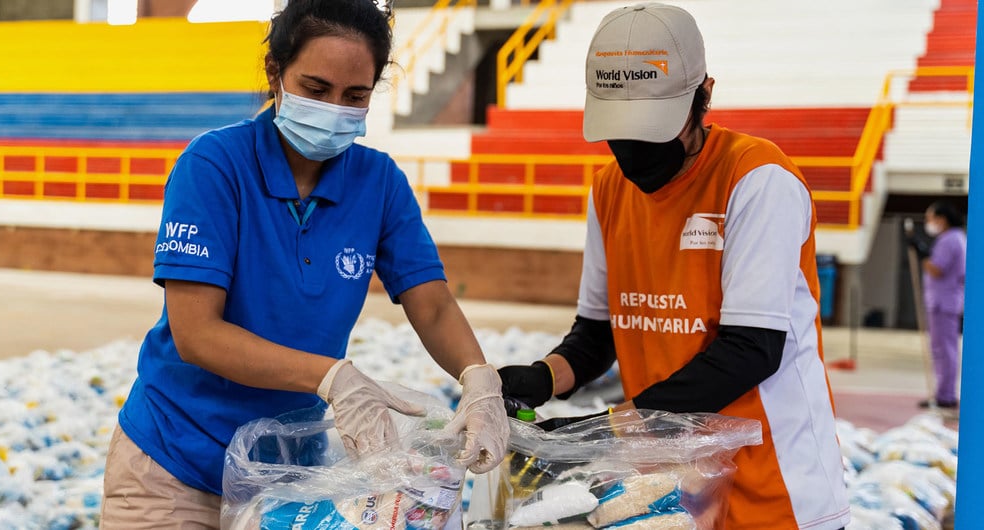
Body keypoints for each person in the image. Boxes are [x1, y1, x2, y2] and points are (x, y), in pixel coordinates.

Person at [100, 1, 508, 526]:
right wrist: (333, 378)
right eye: (316, 90)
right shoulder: (214, 167)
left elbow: (430, 304)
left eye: (354, 96)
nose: (335, 108)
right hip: (176, 462)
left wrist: (478, 380)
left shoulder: (379, 183)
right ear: (275, 72)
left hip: (286, 475)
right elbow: (196, 333)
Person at [498, 4, 849, 529]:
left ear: (703, 97)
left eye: (651, 132)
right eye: (621, 135)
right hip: (672, 496)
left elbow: (749, 351)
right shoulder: (609, 190)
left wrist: (601, 432)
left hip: (775, 496)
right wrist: (542, 378)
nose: (634, 154)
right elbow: (598, 335)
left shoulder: (757, 180)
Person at [912, 200, 967, 410]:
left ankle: (945, 395)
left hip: (943, 302)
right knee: (944, 348)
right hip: (946, 300)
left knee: (944, 350)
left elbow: (937, 269)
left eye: (930, 218)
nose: (928, 223)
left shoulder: (949, 240)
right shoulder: (955, 238)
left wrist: (922, 254)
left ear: (942, 219)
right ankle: (943, 392)